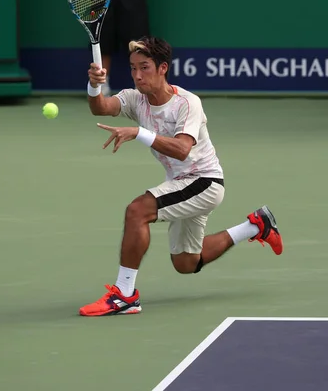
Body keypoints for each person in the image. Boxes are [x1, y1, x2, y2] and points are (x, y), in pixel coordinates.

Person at [79, 36, 284, 317]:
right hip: (181, 183)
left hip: (204, 182)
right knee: (186, 263)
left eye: (145, 67)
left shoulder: (187, 103)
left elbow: (183, 150)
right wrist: (94, 85)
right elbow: (100, 108)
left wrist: (138, 133)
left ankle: (124, 295)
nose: (138, 75)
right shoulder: (134, 99)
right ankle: (255, 226)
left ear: (163, 68)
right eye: (133, 68)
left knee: (137, 211)